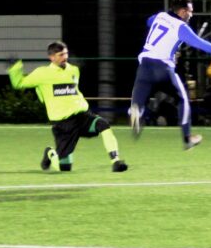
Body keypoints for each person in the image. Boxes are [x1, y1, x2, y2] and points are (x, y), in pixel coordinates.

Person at [128, 0, 211, 148]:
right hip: (163, 68)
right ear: (183, 11)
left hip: (144, 66)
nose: (191, 15)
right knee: (182, 99)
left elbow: (149, 22)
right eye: (190, 11)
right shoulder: (180, 27)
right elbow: (200, 43)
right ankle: (187, 139)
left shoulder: (160, 16)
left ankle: (136, 112)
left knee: (139, 100)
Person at [8, 41, 128, 172]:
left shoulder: (74, 70)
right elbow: (19, 83)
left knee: (103, 124)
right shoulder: (42, 73)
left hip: (82, 116)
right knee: (64, 168)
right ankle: (50, 153)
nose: (65, 57)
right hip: (63, 123)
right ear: (51, 57)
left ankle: (115, 161)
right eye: (61, 55)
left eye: (66, 53)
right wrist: (15, 68)